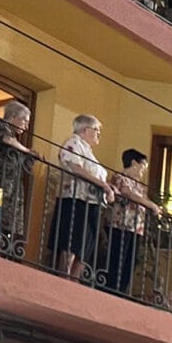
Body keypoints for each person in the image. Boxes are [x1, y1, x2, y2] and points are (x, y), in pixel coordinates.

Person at [48, 114, 114, 278]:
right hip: (75, 199)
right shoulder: (73, 142)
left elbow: (96, 175)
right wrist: (103, 185)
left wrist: (107, 187)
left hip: (91, 203)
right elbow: (76, 167)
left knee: (86, 245)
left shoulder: (88, 150)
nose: (99, 134)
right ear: (86, 129)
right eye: (97, 130)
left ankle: (74, 281)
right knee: (72, 241)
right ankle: (64, 278)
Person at [0, 100, 36, 255]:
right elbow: (6, 140)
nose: (26, 126)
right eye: (24, 121)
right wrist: (27, 150)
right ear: (14, 116)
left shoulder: (14, 136)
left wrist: (29, 157)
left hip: (11, 190)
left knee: (5, 227)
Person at [105, 149, 160, 295]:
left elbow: (145, 199)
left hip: (136, 228)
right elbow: (127, 194)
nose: (144, 170)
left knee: (131, 262)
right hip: (121, 225)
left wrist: (161, 210)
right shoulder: (120, 177)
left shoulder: (139, 185)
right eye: (143, 166)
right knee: (118, 259)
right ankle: (111, 290)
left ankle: (121, 291)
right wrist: (151, 205)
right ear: (134, 163)